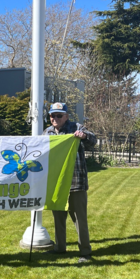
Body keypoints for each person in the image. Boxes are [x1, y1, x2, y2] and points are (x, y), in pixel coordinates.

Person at [44, 102, 98, 263]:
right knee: (58, 217)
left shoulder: (77, 127)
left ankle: (85, 252)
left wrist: (84, 136)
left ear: (66, 116)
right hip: (56, 183)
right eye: (52, 115)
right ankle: (59, 248)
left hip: (76, 182)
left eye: (59, 115)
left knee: (79, 218)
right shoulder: (46, 133)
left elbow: (93, 140)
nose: (55, 118)